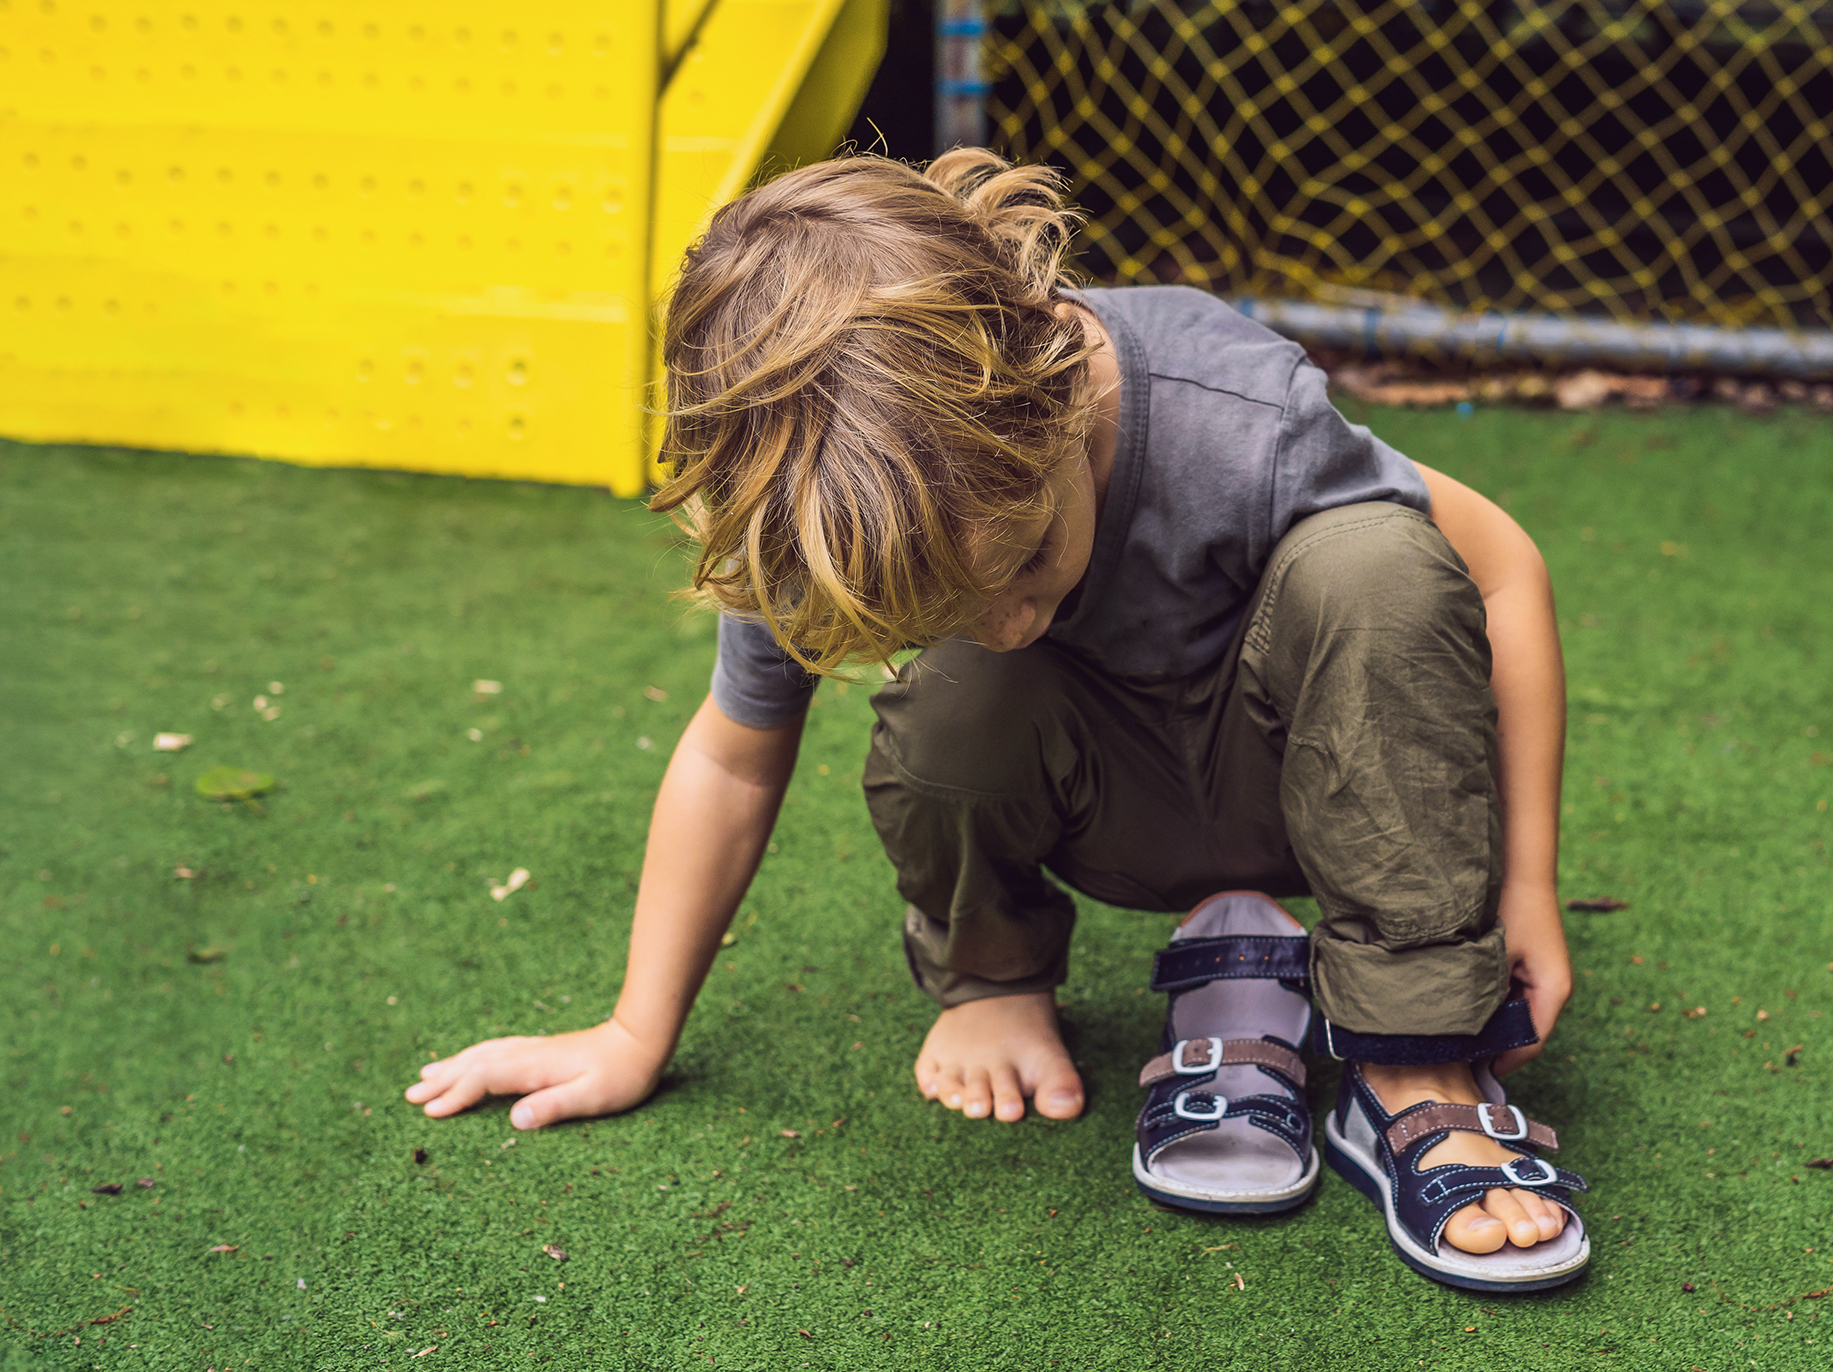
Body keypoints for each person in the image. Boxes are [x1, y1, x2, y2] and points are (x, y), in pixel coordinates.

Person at [404, 151, 1590, 1289]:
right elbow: (731, 755)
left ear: (1062, 394)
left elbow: (1500, 569)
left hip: (1316, 789)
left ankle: (1418, 1060)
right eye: (956, 606)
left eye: (1027, 558)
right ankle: (997, 976)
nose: (1016, 617)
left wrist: (1523, 881)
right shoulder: (817, 504)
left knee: (1379, 563)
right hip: (1101, 805)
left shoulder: (1226, 401)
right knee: (967, 695)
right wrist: (631, 1030)